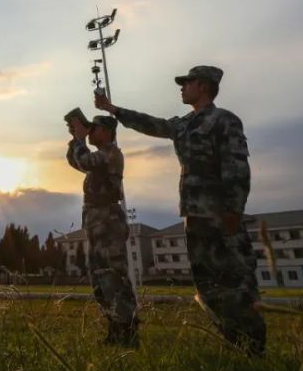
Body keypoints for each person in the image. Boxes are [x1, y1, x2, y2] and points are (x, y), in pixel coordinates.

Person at [97, 65, 266, 355]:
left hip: (221, 215)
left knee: (236, 280)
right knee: (207, 284)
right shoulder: (184, 125)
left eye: (187, 82)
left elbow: (237, 166)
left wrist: (233, 211)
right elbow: (151, 124)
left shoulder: (224, 121)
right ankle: (234, 341)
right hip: (195, 215)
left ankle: (253, 346)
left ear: (203, 86)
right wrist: (114, 110)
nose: (182, 87)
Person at [66, 114, 139, 346]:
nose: (91, 132)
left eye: (94, 129)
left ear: (107, 132)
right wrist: (74, 140)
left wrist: (79, 139)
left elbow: (85, 160)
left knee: (114, 276)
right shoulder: (100, 156)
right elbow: (77, 161)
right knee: (100, 279)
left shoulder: (111, 153)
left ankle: (127, 333)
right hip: (97, 223)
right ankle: (114, 330)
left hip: (108, 221)